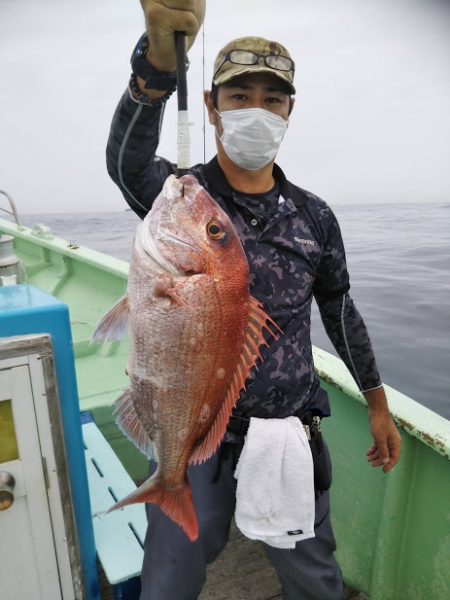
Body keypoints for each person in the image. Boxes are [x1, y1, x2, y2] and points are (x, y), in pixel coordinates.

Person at [106, 2, 401, 598]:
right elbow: (125, 161)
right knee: (168, 580)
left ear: (291, 110)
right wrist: (158, 67)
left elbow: (340, 313)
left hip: (287, 431)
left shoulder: (314, 216)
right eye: (240, 96)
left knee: (315, 580)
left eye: (273, 98)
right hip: (191, 437)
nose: (257, 110)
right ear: (212, 107)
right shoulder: (181, 202)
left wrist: (376, 402)